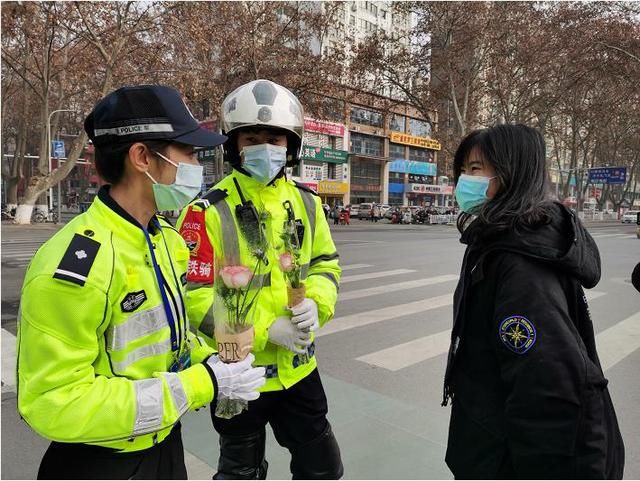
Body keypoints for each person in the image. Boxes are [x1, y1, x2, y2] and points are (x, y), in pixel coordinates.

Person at [17, 85, 266, 480]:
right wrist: (203, 383)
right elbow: (55, 402)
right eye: (188, 152)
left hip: (163, 443)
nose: (196, 165)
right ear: (142, 157)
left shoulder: (166, 240)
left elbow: (166, 341)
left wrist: (212, 361)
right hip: (101, 461)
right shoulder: (75, 266)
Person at [178, 79, 343, 479]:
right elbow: (192, 296)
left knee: (323, 467)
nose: (264, 147)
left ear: (292, 145)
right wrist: (266, 330)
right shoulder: (205, 212)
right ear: (233, 145)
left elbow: (325, 262)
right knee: (240, 470)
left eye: (275, 138)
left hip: (299, 368)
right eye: (251, 137)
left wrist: (316, 304)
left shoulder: (307, 203)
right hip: (239, 374)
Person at [442, 124, 625, 479]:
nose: (464, 180)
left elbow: (546, 392)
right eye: (463, 170)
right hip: (491, 443)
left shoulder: (521, 264)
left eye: (476, 169)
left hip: (508, 459)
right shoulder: (497, 240)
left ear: (512, 174)